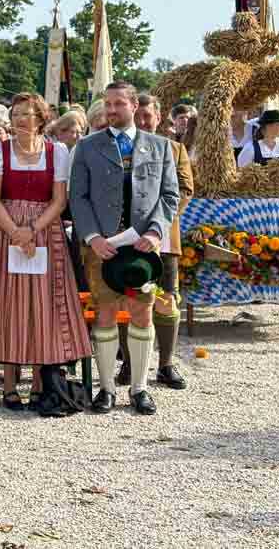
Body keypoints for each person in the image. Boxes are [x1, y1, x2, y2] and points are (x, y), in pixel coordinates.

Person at [0, 93, 90, 415]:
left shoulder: (57, 151)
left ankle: (41, 384)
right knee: (9, 303)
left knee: (44, 305)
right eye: (17, 114)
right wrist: (16, 232)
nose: (22, 120)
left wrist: (33, 229)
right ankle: (9, 384)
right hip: (6, 231)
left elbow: (59, 200)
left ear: (41, 118)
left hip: (45, 232)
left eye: (28, 114)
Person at [70, 81, 180, 415]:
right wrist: (93, 237)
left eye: (118, 103)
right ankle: (105, 389)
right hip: (102, 247)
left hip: (143, 247)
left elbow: (170, 195)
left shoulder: (160, 146)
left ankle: (139, 389)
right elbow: (78, 197)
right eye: (108, 103)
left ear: (134, 105)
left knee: (142, 312)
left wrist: (157, 232)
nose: (111, 109)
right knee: (104, 313)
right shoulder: (87, 146)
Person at [115, 94, 194, 391]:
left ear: (159, 118)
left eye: (148, 116)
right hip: (128, 238)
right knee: (127, 298)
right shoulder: (121, 149)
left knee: (166, 300)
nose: (143, 121)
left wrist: (157, 222)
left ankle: (166, 365)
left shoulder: (175, 148)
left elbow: (185, 190)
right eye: (139, 116)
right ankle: (129, 362)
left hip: (164, 239)